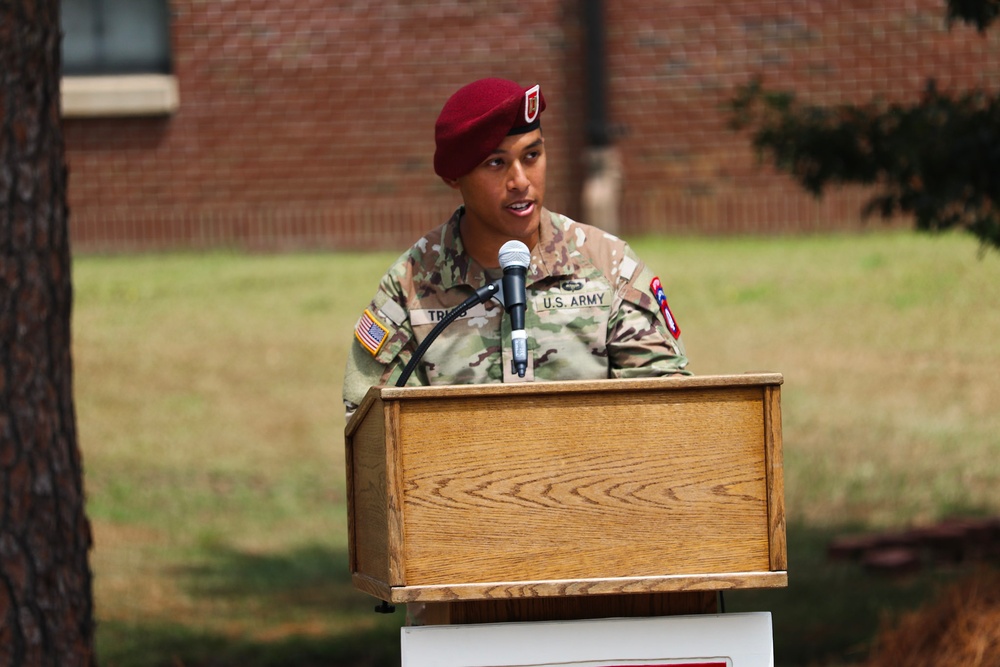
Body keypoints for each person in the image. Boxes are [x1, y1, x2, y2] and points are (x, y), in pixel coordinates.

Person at [343, 77, 688, 416]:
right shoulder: (411, 284)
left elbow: (670, 406)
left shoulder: (609, 266)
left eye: (532, 155)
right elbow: (373, 427)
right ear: (454, 176)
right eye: (496, 163)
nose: (520, 181)